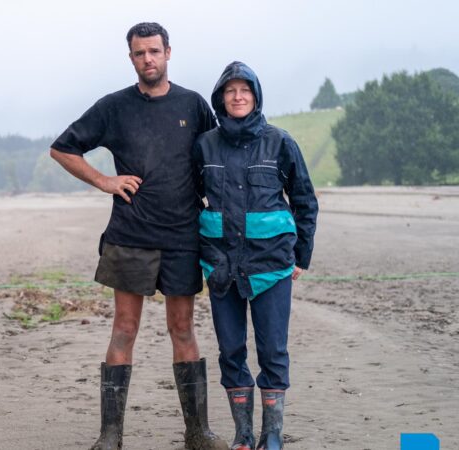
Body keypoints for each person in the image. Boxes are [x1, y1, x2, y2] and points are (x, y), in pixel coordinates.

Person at [50, 22, 228, 450]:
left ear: (168, 52)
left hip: (183, 235)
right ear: (130, 58)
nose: (147, 59)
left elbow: (215, 158)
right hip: (130, 234)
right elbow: (62, 148)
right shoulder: (114, 107)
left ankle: (197, 433)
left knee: (183, 328)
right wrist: (104, 181)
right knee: (124, 329)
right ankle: (110, 436)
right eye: (139, 53)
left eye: (154, 51)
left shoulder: (194, 104)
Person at [193, 61, 318, 450]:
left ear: (256, 95)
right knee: (230, 351)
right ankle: (244, 435)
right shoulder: (204, 145)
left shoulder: (281, 142)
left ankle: (273, 434)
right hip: (221, 267)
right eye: (230, 91)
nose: (238, 96)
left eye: (245, 89)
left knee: (273, 351)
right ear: (221, 98)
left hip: (272, 266)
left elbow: (305, 201)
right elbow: (190, 200)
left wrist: (301, 256)